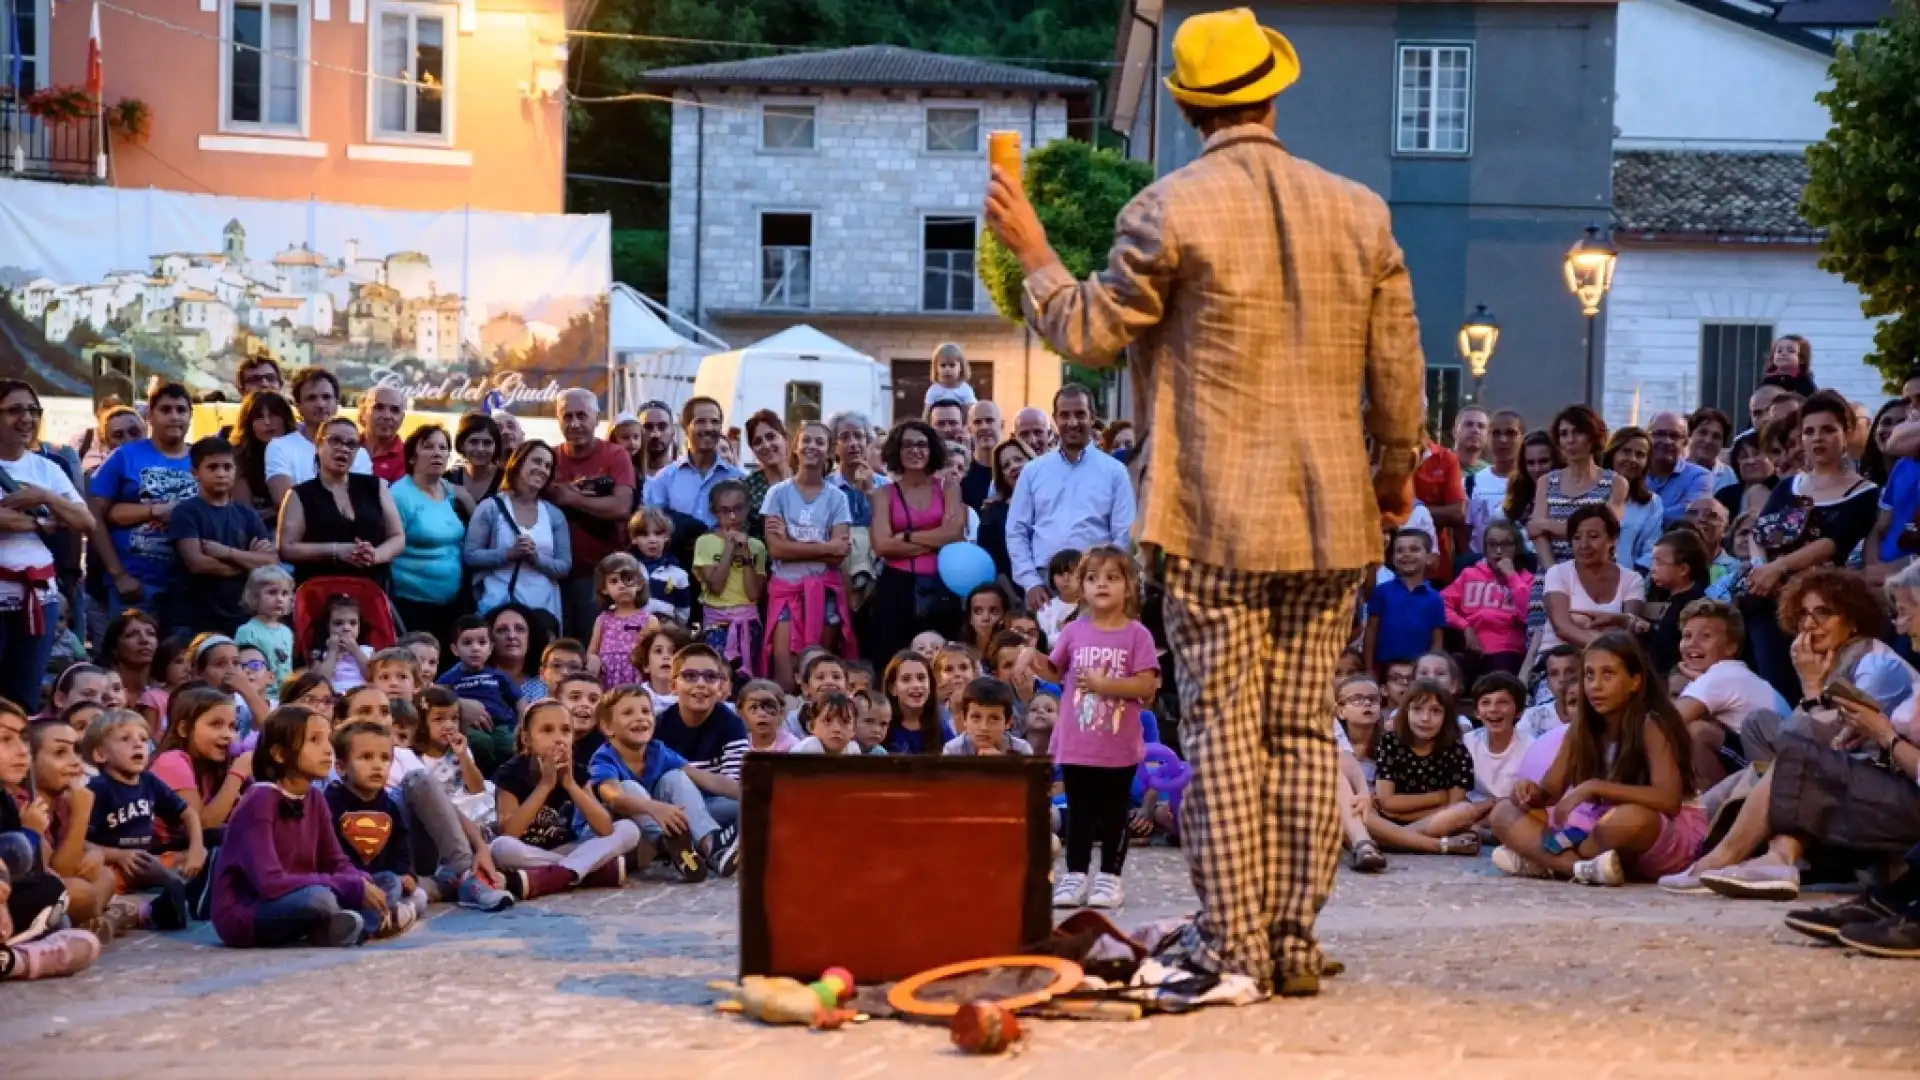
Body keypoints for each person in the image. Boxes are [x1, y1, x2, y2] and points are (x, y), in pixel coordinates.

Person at [989, 7, 1425, 993]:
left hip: (1214, 516)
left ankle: (1233, 944)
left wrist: (1032, 250)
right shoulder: (1359, 210)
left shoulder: (1166, 208)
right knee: (1304, 728)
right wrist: (1393, 478)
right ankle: (1290, 941)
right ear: (1274, 90)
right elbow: (1398, 371)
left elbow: (1093, 333)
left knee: (1226, 729)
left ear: (1186, 103)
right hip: (1333, 521)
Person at [1493, 632, 1702, 886]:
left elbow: (1669, 800)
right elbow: (1549, 792)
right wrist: (1528, 793)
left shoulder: (1651, 724)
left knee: (1628, 819)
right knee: (1503, 811)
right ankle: (1579, 868)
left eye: (1608, 674)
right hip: (1593, 832)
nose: (1595, 685)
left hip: (1657, 833)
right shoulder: (1580, 727)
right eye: (1589, 675)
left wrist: (1594, 786)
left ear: (1635, 682)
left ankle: (1545, 861)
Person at [1019, 546, 1159, 910]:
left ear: (1128, 588)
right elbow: (1054, 670)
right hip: (1077, 742)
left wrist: (1105, 686)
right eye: (1093, 578)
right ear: (1081, 587)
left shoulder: (1137, 635)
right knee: (1079, 813)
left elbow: (1146, 686)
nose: (1102, 585)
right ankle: (1075, 875)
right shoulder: (1073, 631)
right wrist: (1029, 657)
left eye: (1112, 578)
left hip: (1118, 744)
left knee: (1113, 814)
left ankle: (1109, 879)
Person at [1741, 391, 1880, 699]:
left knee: (1807, 690)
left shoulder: (1864, 492)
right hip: (1766, 601)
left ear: (1846, 433)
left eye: (1828, 430)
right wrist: (1762, 568)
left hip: (1819, 609)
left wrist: (1779, 567)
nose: (1818, 438)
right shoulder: (1789, 484)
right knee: (1769, 687)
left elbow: (1833, 542)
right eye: (1809, 431)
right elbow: (1758, 532)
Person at [211, 706, 386, 947]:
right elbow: (270, 883)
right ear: (280, 754)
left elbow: (336, 861)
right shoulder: (259, 800)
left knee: (386, 881)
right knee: (320, 899)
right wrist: (349, 885)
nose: (327, 750)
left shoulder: (315, 798)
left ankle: (340, 927)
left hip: (300, 891)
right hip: (251, 912)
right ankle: (367, 924)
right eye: (314, 740)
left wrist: (359, 880)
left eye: (328, 740)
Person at [0, 380, 94, 711]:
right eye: (14, 410)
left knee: (24, 698)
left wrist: (43, 496)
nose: (26, 418)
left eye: (32, 410)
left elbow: (86, 522)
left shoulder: (46, 470)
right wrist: (45, 522)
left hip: (39, 597)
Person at [586, 686, 741, 883]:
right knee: (629, 788)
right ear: (607, 727)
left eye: (645, 711)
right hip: (618, 837)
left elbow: (703, 777)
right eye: (628, 713)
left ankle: (710, 846)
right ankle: (672, 845)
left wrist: (749, 794)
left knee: (676, 777)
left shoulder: (657, 750)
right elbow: (613, 797)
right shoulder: (604, 758)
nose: (640, 717)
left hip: (654, 828)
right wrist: (654, 807)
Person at [1005, 385, 1136, 615]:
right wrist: (1031, 582)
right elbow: (1016, 530)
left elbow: (1123, 533)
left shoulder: (1114, 472)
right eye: (1065, 415)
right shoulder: (1033, 472)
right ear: (1055, 418)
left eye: (1080, 414)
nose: (1072, 422)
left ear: (1092, 417)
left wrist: (1109, 581)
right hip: (1045, 587)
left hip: (1097, 583)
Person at [489, 700, 638, 900]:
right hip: (526, 852)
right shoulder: (511, 772)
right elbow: (509, 832)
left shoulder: (576, 771)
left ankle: (557, 875)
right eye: (547, 730)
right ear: (527, 739)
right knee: (501, 848)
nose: (558, 739)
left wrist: (570, 784)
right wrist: (546, 785)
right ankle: (588, 871)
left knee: (629, 829)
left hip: (566, 848)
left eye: (565, 731)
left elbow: (605, 828)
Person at [89, 381, 196, 623]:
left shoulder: (203, 458)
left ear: (191, 415)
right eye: (165, 410)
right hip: (135, 584)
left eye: (181, 410)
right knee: (130, 657)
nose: (174, 417)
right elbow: (94, 515)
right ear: (150, 416)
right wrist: (118, 575)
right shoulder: (124, 456)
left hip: (189, 587)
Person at [763, 421, 855, 690]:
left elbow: (839, 555)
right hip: (786, 591)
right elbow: (776, 550)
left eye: (819, 442)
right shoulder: (777, 493)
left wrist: (792, 542)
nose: (812, 446)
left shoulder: (837, 498)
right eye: (807, 440)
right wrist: (824, 546)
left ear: (829, 451)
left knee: (819, 674)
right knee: (785, 676)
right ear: (796, 446)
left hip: (824, 593)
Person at [869, 421, 968, 665]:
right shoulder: (884, 494)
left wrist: (906, 536)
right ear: (897, 451)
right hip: (896, 589)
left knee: (942, 661)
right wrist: (935, 539)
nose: (915, 450)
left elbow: (954, 535)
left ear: (932, 449)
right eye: (908, 445)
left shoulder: (949, 488)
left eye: (922, 444)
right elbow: (882, 545)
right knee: (893, 661)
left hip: (942, 587)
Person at [546, 390, 636, 643]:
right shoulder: (549, 458)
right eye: (567, 416)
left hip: (600, 574)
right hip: (554, 573)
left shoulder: (615, 455)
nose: (575, 423)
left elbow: (621, 507)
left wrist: (572, 498)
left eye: (582, 416)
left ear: (597, 418)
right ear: (558, 420)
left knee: (592, 647)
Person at [324, 721, 428, 937]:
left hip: (381, 882)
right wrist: (356, 880)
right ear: (341, 767)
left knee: (417, 895)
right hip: (347, 882)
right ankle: (368, 925)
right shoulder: (331, 803)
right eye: (366, 757)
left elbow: (401, 845)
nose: (377, 766)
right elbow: (328, 850)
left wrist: (405, 873)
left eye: (384, 759)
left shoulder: (390, 806)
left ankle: (366, 920)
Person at [277, 418, 404, 590]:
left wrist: (376, 555)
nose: (344, 448)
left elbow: (397, 536)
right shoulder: (299, 494)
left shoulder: (375, 486)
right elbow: (286, 548)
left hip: (371, 588)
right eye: (335, 440)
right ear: (318, 444)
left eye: (351, 444)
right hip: (319, 589)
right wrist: (337, 551)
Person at [169, 437, 277, 638]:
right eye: (212, 467)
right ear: (195, 473)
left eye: (227, 467)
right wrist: (248, 565)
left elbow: (271, 561)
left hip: (240, 616)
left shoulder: (246, 514)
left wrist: (226, 552)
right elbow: (198, 563)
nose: (221, 473)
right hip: (194, 618)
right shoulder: (186, 512)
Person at [1671, 599, 1784, 790]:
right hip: (1766, 762)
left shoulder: (1723, 675)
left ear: (1731, 646)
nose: (1692, 644)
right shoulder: (1733, 673)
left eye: (1705, 636)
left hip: (1772, 772)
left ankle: (1709, 810)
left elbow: (1665, 723)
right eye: (1687, 636)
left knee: (1695, 731)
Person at [466, 440, 571, 628]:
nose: (542, 469)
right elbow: (471, 555)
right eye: (537, 461)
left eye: (548, 466)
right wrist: (508, 553)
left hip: (543, 607)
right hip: (499, 604)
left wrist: (536, 559)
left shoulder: (554, 514)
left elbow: (564, 566)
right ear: (519, 462)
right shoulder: (491, 507)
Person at [649, 645, 750, 828]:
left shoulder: (732, 725)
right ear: (673, 685)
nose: (701, 684)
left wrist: (683, 767)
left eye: (710, 677)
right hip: (669, 809)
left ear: (719, 687)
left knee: (746, 808)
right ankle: (710, 845)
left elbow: (736, 789)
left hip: (713, 806)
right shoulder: (657, 726)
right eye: (690, 676)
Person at [389, 425, 467, 650]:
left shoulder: (447, 489)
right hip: (412, 605)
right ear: (412, 457)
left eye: (443, 448)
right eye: (429, 447)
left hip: (452, 603)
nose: (438, 453)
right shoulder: (399, 495)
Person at [644, 396, 745, 556]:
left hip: (724, 566)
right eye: (700, 421)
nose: (708, 428)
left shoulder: (737, 478)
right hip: (678, 568)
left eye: (714, 422)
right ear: (685, 427)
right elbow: (652, 525)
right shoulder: (665, 479)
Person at [264, 369, 373, 511]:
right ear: (298, 406)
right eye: (311, 398)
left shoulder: (359, 454)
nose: (320, 404)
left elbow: (361, 504)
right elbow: (285, 503)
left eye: (326, 397)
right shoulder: (279, 447)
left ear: (336, 403)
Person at [1442, 519, 1531, 679]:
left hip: (1508, 650)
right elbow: (1440, 605)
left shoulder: (1526, 579)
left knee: (1499, 671)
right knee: (1448, 669)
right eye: (1492, 544)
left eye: (1506, 544)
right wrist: (1465, 626)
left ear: (1516, 548)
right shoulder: (1469, 574)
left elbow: (1529, 614)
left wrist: (1512, 576)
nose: (1498, 551)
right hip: (1471, 648)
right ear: (1484, 548)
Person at [226, 390, 297, 534]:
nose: (267, 422)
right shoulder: (240, 459)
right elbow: (245, 513)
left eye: (273, 415)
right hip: (259, 531)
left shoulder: (300, 448)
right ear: (248, 423)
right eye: (259, 417)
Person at [1645, 528, 1710, 677]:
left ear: (1682, 569)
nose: (1653, 569)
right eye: (1653, 562)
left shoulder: (1695, 606)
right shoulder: (1669, 599)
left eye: (1659, 563)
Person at [1602, 426, 1664, 573]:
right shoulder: (1592, 491)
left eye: (1640, 454)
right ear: (1612, 453)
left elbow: (1651, 551)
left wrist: (1631, 581)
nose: (1632, 459)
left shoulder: (1652, 503)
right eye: (1626, 451)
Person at [586, 553, 651, 689]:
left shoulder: (648, 620)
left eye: (627, 579)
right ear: (604, 588)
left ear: (639, 584)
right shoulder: (602, 619)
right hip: (607, 678)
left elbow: (650, 652)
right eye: (614, 581)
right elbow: (592, 651)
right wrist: (594, 662)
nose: (622, 585)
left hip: (635, 676)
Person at [1466, 673, 1532, 803]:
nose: (1493, 709)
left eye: (1502, 702)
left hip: (1511, 813)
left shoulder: (1531, 748)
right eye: (1485, 703)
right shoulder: (1466, 743)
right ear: (1477, 712)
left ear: (1518, 711)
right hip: (1472, 811)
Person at [978, 437, 1035, 583]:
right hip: (1017, 594)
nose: (1014, 466)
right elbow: (992, 564)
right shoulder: (992, 513)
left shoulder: (1053, 500)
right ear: (1002, 476)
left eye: (1018, 459)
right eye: (1006, 465)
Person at [1643, 413, 1712, 527]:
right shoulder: (1634, 471)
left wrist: (1638, 516)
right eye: (1659, 434)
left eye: (1674, 436)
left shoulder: (1700, 476)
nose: (1666, 441)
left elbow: (1693, 514)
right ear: (1647, 437)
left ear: (1685, 442)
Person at [235, 566, 297, 684]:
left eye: (284, 593)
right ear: (254, 597)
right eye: (272, 592)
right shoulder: (247, 631)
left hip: (283, 695)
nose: (280, 599)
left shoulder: (286, 632)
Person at [942, 676, 1032, 757]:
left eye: (994, 719)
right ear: (965, 719)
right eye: (976, 717)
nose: (984, 727)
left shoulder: (1021, 749)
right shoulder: (953, 750)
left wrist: (1002, 764)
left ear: (1008, 722)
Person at [882, 650, 951, 753]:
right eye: (906, 679)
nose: (916, 685)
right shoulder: (882, 726)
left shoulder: (942, 726)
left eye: (921, 678)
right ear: (892, 688)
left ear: (931, 685)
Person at [739, 410, 793, 542]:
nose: (766, 445)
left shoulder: (806, 480)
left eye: (771, 436)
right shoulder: (746, 488)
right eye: (758, 441)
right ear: (753, 450)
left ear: (784, 438)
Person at [825, 411, 878, 529]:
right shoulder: (825, 487)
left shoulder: (885, 485)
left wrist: (870, 491)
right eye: (844, 437)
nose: (853, 443)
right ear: (834, 446)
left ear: (867, 441)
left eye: (859, 436)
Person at [447, 412, 505, 507]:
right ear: (461, 445)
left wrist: (466, 498)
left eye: (487, 443)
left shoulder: (506, 481)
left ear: (496, 447)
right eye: (473, 442)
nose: (480, 448)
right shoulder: (448, 478)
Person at [358, 386, 409, 484]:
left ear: (402, 418)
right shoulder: (344, 447)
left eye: (395, 410)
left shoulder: (410, 459)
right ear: (363, 413)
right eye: (379, 407)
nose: (387, 416)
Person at [964, 401, 1004, 509]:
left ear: (1002, 425)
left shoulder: (1015, 472)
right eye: (977, 422)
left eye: (989, 420)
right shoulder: (962, 475)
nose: (984, 427)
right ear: (969, 429)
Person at [925, 342, 978, 415]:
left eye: (952, 365)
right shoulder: (933, 391)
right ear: (936, 368)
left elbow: (972, 414)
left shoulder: (965, 390)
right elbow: (926, 415)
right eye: (943, 365)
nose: (947, 369)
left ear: (961, 367)